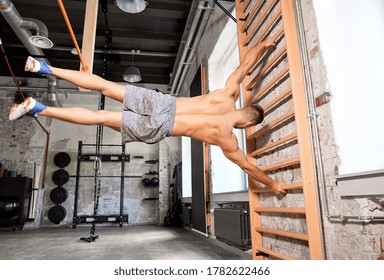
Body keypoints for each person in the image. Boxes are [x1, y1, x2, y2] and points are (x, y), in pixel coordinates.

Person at [9, 38, 285, 195]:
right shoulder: (227, 140)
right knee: (101, 117)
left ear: (245, 109)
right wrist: (273, 183)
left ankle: (45, 67)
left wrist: (263, 45)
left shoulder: (226, 95)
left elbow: (244, 66)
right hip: (161, 126)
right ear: (248, 123)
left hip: (164, 102)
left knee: (106, 85)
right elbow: (248, 167)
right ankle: (39, 109)